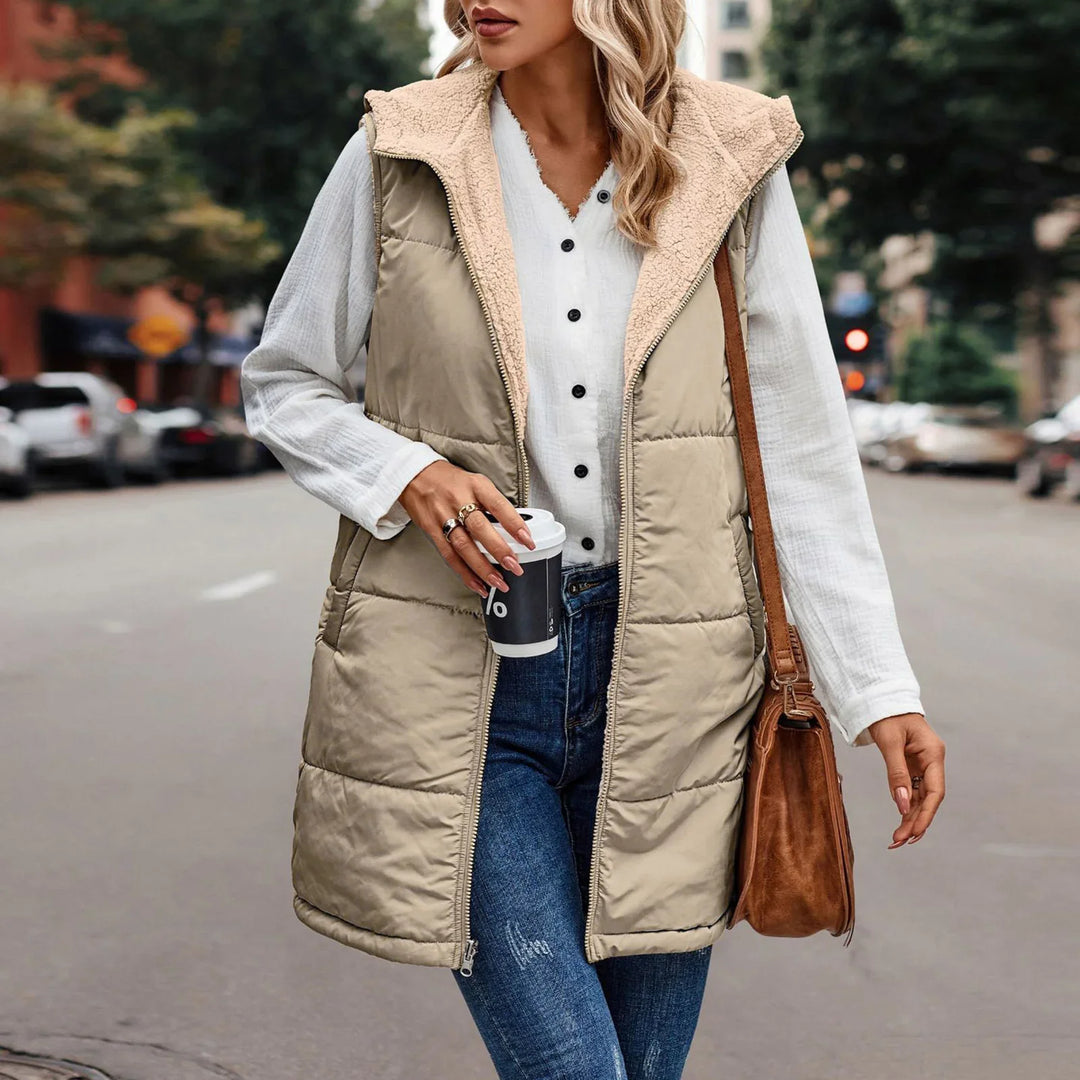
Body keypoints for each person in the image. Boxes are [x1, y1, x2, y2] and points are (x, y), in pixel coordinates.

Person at [240, 2, 947, 1076]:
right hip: (463, 671)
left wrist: (879, 688)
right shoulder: (400, 149)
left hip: (678, 683)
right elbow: (286, 380)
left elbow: (800, 443)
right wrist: (408, 474)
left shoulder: (730, 156)